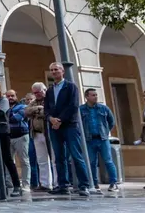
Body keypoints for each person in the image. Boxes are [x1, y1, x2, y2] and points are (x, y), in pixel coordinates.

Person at [44, 62, 90, 197]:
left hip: (69, 125)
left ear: (62, 71)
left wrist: (60, 120)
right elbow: (46, 108)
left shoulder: (71, 87)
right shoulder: (50, 90)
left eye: (56, 69)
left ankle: (84, 185)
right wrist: (51, 118)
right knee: (59, 157)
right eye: (52, 70)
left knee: (76, 155)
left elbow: (73, 105)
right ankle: (63, 185)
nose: (54, 72)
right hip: (54, 127)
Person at [80, 88, 118, 193]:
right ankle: (95, 184)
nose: (95, 97)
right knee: (91, 162)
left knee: (108, 161)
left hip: (102, 139)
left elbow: (111, 121)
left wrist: (105, 132)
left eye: (96, 95)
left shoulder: (103, 108)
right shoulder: (81, 109)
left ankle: (113, 183)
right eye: (93, 95)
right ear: (86, 97)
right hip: (89, 140)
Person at [0, 81, 22, 197]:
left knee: (7, 159)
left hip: (3, 132)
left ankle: (16, 186)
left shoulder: (4, 100)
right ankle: (1, 185)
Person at [26, 82, 54, 191]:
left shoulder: (50, 100)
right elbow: (26, 111)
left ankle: (56, 183)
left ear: (45, 90)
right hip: (37, 133)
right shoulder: (33, 102)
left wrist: (38, 111)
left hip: (48, 132)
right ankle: (45, 184)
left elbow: (47, 112)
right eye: (35, 92)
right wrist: (38, 108)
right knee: (41, 160)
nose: (37, 94)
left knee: (54, 159)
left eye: (39, 92)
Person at [6, 89, 31, 191]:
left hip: (21, 135)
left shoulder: (23, 107)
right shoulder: (5, 108)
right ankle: (10, 183)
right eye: (8, 96)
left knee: (24, 161)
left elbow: (16, 118)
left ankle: (26, 184)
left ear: (16, 96)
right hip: (8, 136)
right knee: (9, 161)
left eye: (12, 96)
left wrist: (6, 116)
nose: (10, 98)